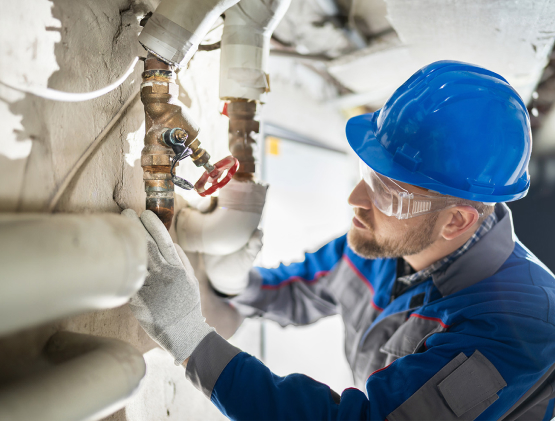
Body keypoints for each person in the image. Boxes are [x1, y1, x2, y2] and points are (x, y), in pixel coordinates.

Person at [123, 61, 555, 420]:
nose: (356, 200)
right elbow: (300, 287)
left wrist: (189, 337)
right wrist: (231, 280)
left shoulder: (519, 329)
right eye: (367, 174)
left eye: (387, 191)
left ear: (456, 221)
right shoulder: (386, 245)